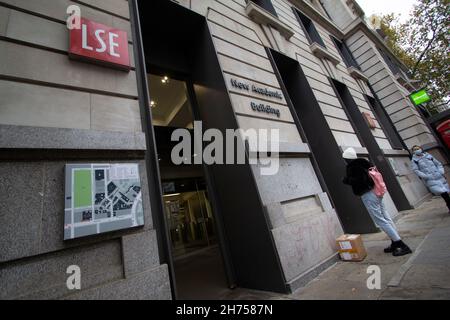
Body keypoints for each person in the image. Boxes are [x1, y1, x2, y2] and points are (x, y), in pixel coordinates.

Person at [342, 147, 412, 257]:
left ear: (347, 158)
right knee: (386, 217)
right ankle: (394, 242)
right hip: (377, 192)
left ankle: (401, 245)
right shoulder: (365, 163)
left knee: (380, 220)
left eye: (345, 158)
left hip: (368, 194)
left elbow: (361, 180)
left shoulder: (353, 166)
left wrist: (347, 180)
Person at [411, 145, 450, 213]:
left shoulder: (428, 156)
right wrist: (425, 176)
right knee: (444, 194)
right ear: (413, 151)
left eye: (418, 148)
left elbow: (438, 164)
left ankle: (449, 205)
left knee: (446, 193)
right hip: (431, 180)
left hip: (439, 177)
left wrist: (441, 171)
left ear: (421, 149)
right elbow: (416, 170)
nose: (417, 150)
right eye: (415, 149)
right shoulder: (414, 160)